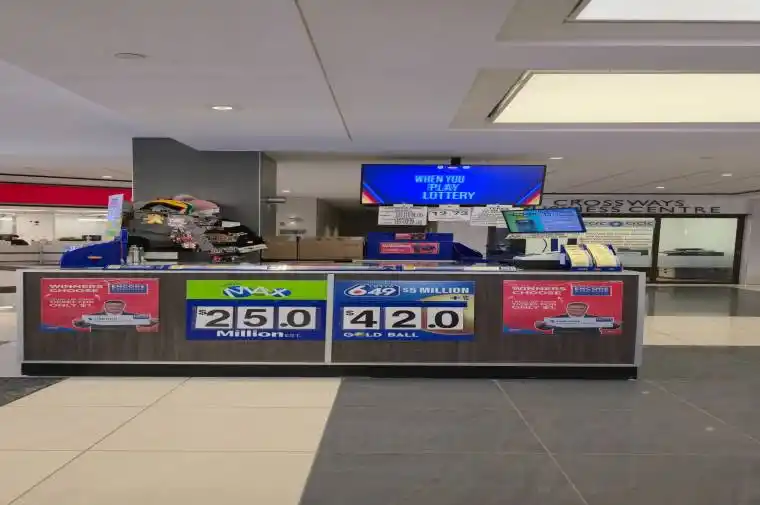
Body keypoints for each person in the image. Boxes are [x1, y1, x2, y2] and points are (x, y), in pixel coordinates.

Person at [534, 301, 620, 335]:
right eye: (572, 309)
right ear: (567, 309)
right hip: (562, 343)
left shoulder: (594, 319)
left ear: (585, 309)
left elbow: (613, 325)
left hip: (591, 343)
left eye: (579, 309)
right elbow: (542, 327)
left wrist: (615, 324)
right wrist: (540, 324)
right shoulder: (557, 319)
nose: (575, 310)